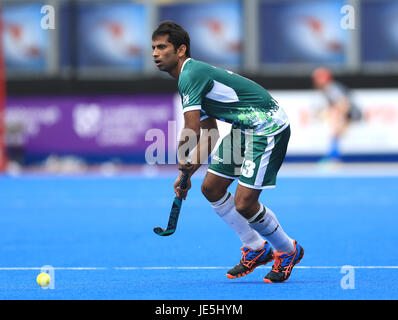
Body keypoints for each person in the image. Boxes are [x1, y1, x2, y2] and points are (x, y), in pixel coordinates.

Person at [152, 21, 304, 283]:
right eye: (153, 47)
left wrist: (182, 162)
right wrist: (187, 174)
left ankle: (287, 250)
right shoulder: (188, 80)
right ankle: (257, 248)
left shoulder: (190, 74)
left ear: (180, 51)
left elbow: (191, 130)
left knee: (245, 203)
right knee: (211, 188)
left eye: (162, 47)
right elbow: (209, 133)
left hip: (266, 125)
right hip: (243, 128)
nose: (155, 53)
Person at [312, 67, 361, 162]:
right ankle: (333, 155)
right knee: (333, 129)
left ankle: (333, 156)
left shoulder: (331, 88)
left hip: (352, 112)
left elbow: (344, 105)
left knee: (335, 128)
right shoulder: (327, 89)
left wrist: (339, 118)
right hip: (347, 112)